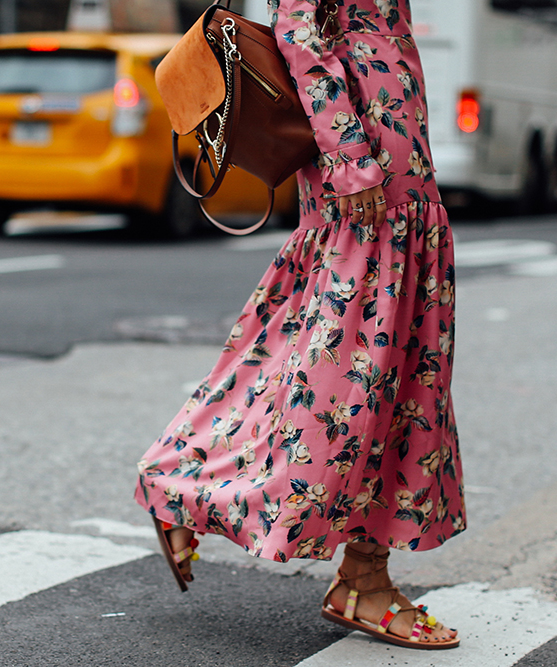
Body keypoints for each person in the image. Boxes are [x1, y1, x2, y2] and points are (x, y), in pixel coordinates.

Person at [135, 0, 464, 650]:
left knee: (392, 375)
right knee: (341, 379)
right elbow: (299, 27)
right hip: (366, 168)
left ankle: (365, 576)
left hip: (400, 164)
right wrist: (347, 155)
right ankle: (186, 483)